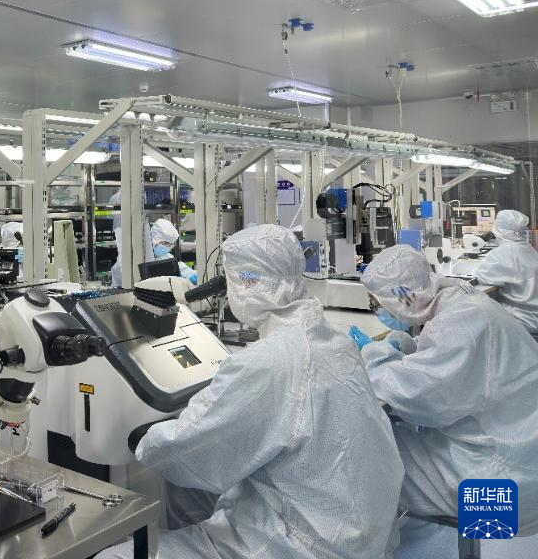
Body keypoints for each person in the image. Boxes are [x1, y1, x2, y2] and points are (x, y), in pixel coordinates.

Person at [98, 224, 403, 559]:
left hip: (307, 544)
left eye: (231, 280)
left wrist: (143, 438)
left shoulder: (270, 360)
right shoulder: (330, 338)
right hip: (358, 529)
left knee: (112, 556)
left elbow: (189, 447)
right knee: (193, 491)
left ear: (249, 284)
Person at [356, 244, 538, 534]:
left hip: (506, 492)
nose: (378, 311)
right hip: (522, 456)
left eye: (377, 304)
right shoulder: (464, 303)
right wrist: (408, 350)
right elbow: (455, 369)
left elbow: (416, 399)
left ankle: (370, 545)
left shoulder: (458, 325)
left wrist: (373, 356)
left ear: (402, 299)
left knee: (370, 451)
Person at [473, 209, 538, 334]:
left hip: (523, 319)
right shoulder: (529, 249)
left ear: (499, 228)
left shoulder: (501, 253)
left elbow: (482, 277)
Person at [150, 217, 199, 283]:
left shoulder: (165, 257)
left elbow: (180, 268)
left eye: (171, 244)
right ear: (154, 239)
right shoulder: (143, 256)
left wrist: (189, 275)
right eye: (165, 243)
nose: (168, 247)